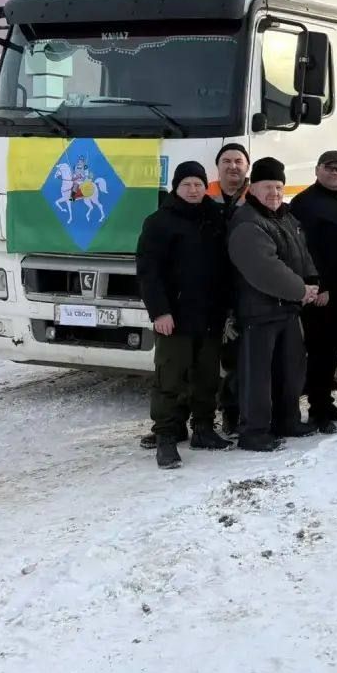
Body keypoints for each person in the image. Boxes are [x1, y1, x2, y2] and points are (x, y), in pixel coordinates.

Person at [136, 161, 233, 468]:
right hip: (174, 317)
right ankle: (166, 436)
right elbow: (148, 272)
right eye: (187, 184)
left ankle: (203, 428)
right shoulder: (159, 222)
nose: (193, 190)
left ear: (207, 187)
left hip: (210, 315)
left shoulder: (215, 217)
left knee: (206, 376)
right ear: (176, 188)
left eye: (198, 184)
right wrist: (160, 311)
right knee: (170, 377)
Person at [227, 157, 321, 451]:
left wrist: (312, 279)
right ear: (253, 189)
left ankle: (287, 421)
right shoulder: (247, 222)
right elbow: (265, 269)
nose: (275, 193)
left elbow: (301, 252)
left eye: (279, 187)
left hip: (287, 310)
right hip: (259, 313)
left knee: (290, 372)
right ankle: (254, 431)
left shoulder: (285, 217)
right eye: (268, 187)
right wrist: (300, 290)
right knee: (258, 378)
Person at [289, 150, 337, 432]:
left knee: (333, 353)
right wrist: (319, 286)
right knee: (319, 352)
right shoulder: (305, 203)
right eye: (329, 168)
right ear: (317, 170)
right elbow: (303, 251)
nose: (335, 173)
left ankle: (326, 401)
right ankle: (317, 410)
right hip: (321, 294)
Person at [211, 142, 250, 434]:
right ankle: (195, 416)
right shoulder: (204, 195)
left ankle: (232, 412)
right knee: (202, 358)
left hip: (243, 289)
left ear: (247, 167)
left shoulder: (256, 196)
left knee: (237, 357)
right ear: (218, 166)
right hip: (210, 288)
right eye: (227, 160)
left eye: (238, 160)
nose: (232, 166)